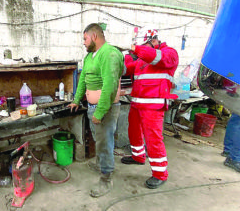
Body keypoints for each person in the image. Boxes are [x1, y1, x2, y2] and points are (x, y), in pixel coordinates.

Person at [68, 23, 124, 197]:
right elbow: (83, 78)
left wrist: (99, 112)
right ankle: (101, 164)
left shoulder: (110, 54)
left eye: (85, 38)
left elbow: (109, 86)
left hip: (105, 109)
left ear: (94, 37)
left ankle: (106, 180)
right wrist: (76, 100)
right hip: (93, 107)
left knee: (105, 143)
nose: (83, 42)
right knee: (99, 140)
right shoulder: (90, 57)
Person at [121, 29, 179, 189]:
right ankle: (138, 156)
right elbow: (127, 69)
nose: (141, 48)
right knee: (133, 131)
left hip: (153, 106)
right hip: (137, 103)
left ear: (154, 41)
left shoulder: (169, 53)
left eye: (143, 44)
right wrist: (123, 56)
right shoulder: (142, 59)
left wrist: (136, 49)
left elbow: (155, 57)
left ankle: (160, 174)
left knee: (153, 139)